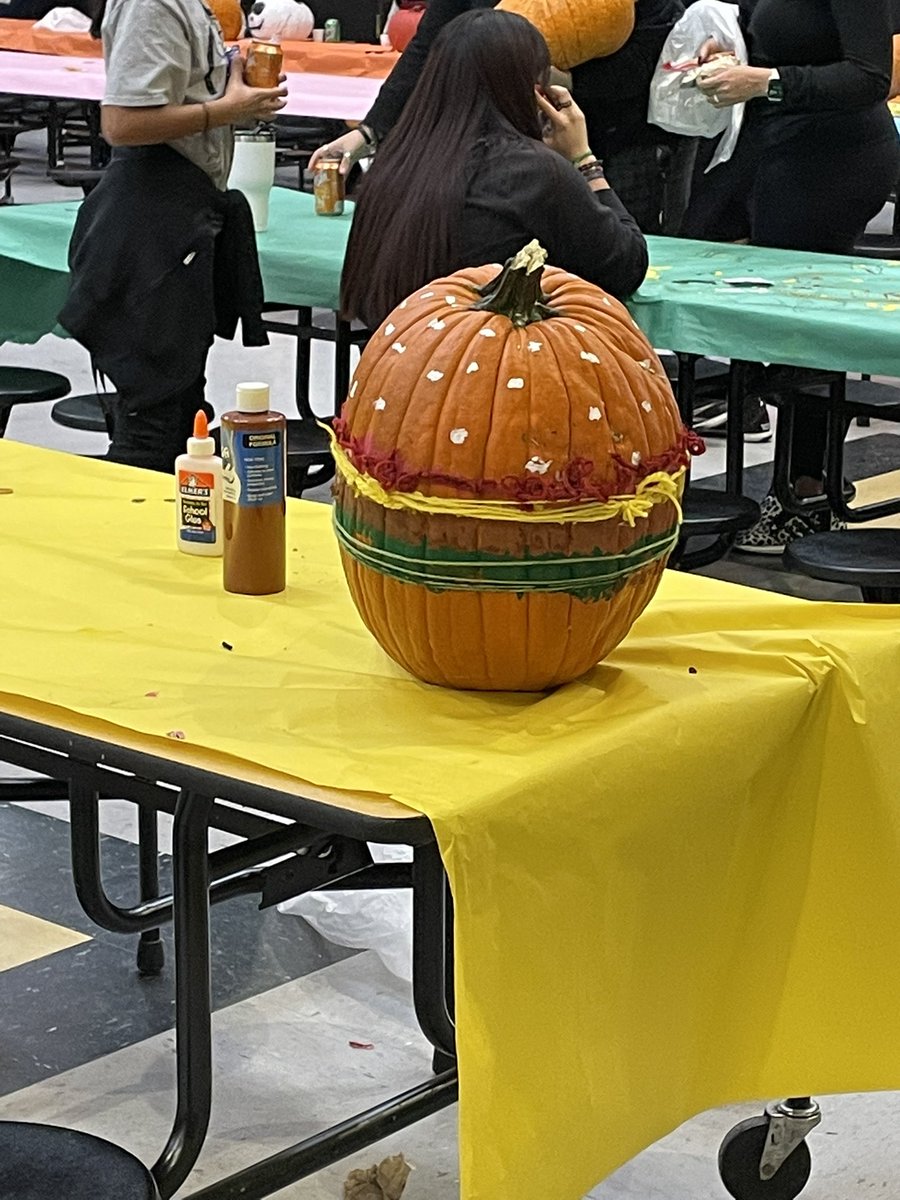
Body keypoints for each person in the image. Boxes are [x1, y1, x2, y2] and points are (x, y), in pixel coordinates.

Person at [680, 0, 900, 551]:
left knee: (804, 326)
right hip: (776, 146)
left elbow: (871, 77)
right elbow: (782, 44)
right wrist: (732, 57)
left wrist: (766, 81)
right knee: (770, 310)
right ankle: (801, 475)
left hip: (836, 158)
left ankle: (809, 491)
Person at [58, 0, 287, 473]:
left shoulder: (192, 6)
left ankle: (168, 537)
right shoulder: (153, 4)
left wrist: (235, 100)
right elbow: (122, 123)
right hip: (149, 221)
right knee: (153, 422)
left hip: (180, 213)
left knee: (184, 413)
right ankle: (123, 539)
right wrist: (223, 110)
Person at [339, 8, 648, 330]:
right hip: (491, 368)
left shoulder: (393, 162)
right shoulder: (536, 173)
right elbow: (626, 266)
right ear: (533, 88)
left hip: (391, 363)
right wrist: (583, 159)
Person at [311, 0, 692, 235]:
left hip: (611, 143)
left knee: (610, 275)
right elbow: (430, 48)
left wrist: (555, 77)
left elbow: (651, 58)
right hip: (498, 151)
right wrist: (367, 131)